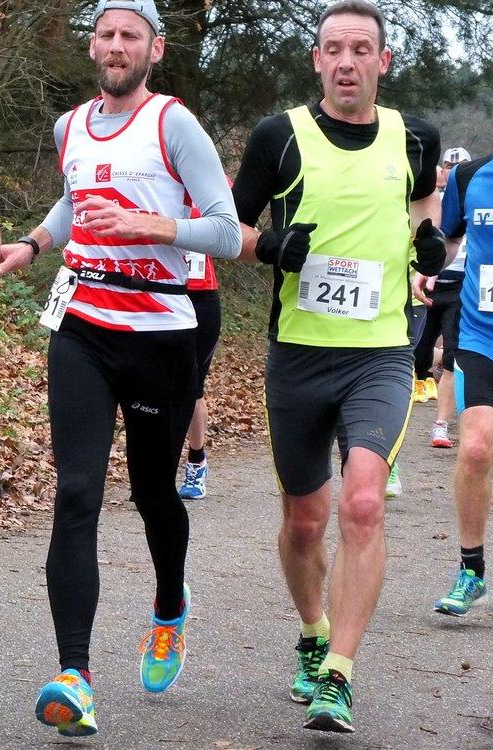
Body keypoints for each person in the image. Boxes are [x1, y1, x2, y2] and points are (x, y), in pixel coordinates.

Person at [0, 0, 240, 737]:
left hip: (162, 334)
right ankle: (76, 674)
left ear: (154, 49)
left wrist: (149, 224)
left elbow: (226, 232)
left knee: (152, 492)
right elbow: (74, 200)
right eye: (106, 33)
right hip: (83, 328)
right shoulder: (69, 126)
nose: (117, 45)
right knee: (76, 491)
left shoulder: (173, 124)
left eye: (132, 35)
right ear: (92, 44)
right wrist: (33, 244)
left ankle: (169, 605)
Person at [232, 0, 442, 733]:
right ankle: (313, 633)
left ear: (384, 61)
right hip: (298, 354)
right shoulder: (279, 137)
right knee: (304, 521)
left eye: (361, 49)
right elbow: (230, 229)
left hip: (380, 354)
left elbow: (421, 200)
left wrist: (425, 241)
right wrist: (271, 247)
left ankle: (340, 676)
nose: (347, 62)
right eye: (334, 49)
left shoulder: (415, 136)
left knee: (363, 503)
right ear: (317, 60)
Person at [431, 151, 491, 617]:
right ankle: (471, 570)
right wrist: (429, 267)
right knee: (475, 448)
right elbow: (449, 239)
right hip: (480, 335)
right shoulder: (470, 177)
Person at [412, 147, 472, 449]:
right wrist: (425, 270)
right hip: (429, 285)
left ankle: (441, 425)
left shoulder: (473, 193)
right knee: (417, 354)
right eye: (448, 164)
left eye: (458, 165)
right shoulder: (429, 197)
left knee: (451, 357)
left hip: (461, 287)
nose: (452, 170)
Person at [180, 202, 225, 500]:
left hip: (201, 298)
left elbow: (234, 234)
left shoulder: (215, 185)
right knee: (153, 387)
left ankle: (196, 461)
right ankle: (153, 470)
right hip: (158, 293)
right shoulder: (154, 183)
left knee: (192, 387)